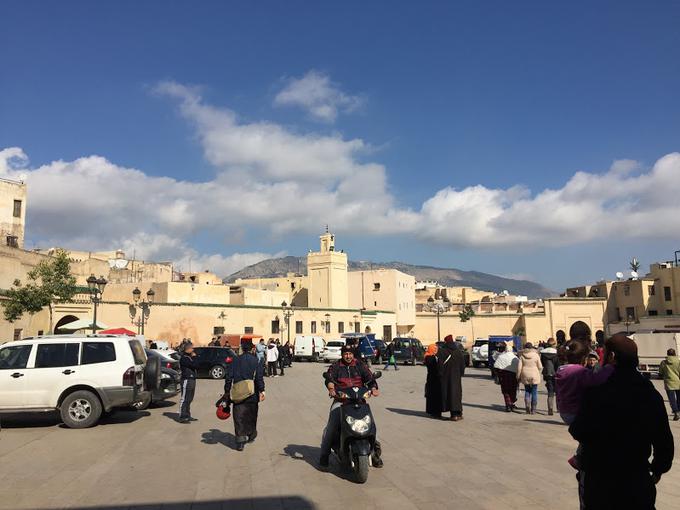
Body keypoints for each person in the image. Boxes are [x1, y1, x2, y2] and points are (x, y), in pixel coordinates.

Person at [569, 334, 674, 510]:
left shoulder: (597, 391)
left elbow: (578, 430)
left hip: (601, 479)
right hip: (636, 478)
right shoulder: (649, 393)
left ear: (611, 357)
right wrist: (658, 469)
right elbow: (664, 440)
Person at [320, 345, 381, 469]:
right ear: (342, 355)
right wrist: (331, 388)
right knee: (332, 427)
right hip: (341, 401)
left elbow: (369, 378)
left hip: (360, 400)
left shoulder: (360, 365)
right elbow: (329, 378)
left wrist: (374, 388)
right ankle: (324, 455)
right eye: (345, 354)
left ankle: (375, 454)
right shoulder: (336, 366)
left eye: (350, 354)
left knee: (371, 425)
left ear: (353, 354)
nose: (348, 356)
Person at [222, 339, 265, 451]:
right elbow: (259, 377)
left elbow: (228, 377)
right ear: (252, 349)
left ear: (242, 349)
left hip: (238, 393)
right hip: (252, 393)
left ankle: (240, 441)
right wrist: (262, 390)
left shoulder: (234, 360)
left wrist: (227, 391)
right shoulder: (257, 360)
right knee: (251, 414)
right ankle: (251, 434)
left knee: (239, 416)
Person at [434, 335, 465, 421]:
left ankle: (452, 414)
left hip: (445, 377)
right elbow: (463, 365)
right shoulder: (458, 352)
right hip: (456, 377)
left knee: (448, 395)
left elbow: (439, 365)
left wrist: (440, 374)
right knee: (456, 395)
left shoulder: (442, 351)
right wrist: (460, 374)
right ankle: (457, 414)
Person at [517, 342, 542, 414]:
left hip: (525, 374)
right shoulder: (536, 355)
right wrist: (537, 370)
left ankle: (527, 406)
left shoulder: (522, 356)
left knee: (527, 391)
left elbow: (519, 368)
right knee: (534, 391)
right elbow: (540, 367)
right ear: (532, 348)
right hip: (534, 374)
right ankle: (533, 409)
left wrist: (518, 376)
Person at [493, 342, 519, 412]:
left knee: (505, 391)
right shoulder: (515, 357)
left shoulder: (501, 356)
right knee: (513, 390)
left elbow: (496, 366)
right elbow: (518, 368)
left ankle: (508, 405)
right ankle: (511, 403)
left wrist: (498, 374)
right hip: (513, 377)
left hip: (503, 377)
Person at [178, 341, 200, 423]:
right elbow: (194, 365)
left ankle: (187, 414)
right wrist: (194, 357)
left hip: (192, 379)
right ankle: (182, 416)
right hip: (186, 379)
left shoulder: (190, 357)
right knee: (184, 398)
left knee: (190, 398)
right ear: (188, 349)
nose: (193, 349)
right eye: (192, 348)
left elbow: (197, 365)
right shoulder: (184, 358)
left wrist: (194, 358)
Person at [659, 348, 680, 421]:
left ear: (667, 354)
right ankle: (679, 409)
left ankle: (676, 411)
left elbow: (660, 372)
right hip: (678, 382)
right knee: (679, 397)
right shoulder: (678, 361)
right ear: (674, 354)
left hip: (668, 383)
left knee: (672, 399)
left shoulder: (663, 362)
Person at [540, 337, 560, 415]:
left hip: (547, 373)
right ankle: (559, 408)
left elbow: (542, 363)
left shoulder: (543, 353)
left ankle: (550, 408)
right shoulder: (556, 353)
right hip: (556, 373)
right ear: (554, 344)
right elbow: (557, 364)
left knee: (550, 392)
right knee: (558, 392)